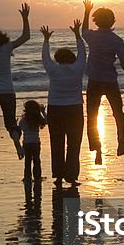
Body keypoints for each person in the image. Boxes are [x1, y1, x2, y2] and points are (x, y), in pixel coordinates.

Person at [81, 0, 124, 164]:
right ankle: (121, 137)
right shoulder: (116, 40)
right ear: (112, 21)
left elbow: (83, 30)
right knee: (118, 112)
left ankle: (97, 149)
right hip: (111, 81)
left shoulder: (92, 37)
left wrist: (86, 12)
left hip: (95, 81)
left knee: (92, 115)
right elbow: (123, 62)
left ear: (96, 21)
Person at [0, 2, 31, 159]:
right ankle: (16, 142)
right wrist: (25, 18)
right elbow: (26, 36)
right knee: (10, 122)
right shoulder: (8, 47)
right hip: (8, 91)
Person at [41, 20, 86, 187]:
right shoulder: (78, 69)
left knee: (56, 142)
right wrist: (77, 35)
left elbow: (45, 57)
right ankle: (71, 176)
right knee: (74, 144)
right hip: (74, 108)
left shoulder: (53, 70)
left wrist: (46, 40)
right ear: (72, 58)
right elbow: (83, 53)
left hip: (55, 109)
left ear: (57, 58)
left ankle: (58, 176)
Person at [18, 99, 47, 182]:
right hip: (36, 143)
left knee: (27, 161)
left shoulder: (24, 120)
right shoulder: (38, 119)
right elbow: (46, 120)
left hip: (26, 143)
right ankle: (37, 177)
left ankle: (27, 177)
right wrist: (43, 112)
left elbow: (20, 128)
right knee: (37, 160)